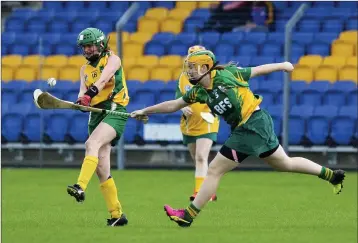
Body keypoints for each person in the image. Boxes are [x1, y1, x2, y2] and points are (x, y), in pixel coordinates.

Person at [130, 50, 346, 227]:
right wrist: (146, 110)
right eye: (188, 67)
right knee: (284, 163)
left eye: (193, 67)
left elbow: (258, 70)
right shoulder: (198, 92)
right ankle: (332, 176)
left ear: (206, 68)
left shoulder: (228, 74)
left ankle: (188, 215)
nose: (189, 71)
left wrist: (283, 65)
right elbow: (174, 105)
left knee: (214, 169)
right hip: (249, 128)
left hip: (253, 124)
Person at [66, 27, 129, 227]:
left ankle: (80, 186)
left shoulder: (113, 59)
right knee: (102, 169)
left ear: (101, 44)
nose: (87, 50)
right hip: (96, 115)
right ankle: (117, 215)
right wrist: (81, 103)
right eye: (84, 47)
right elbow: (82, 92)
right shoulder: (84, 69)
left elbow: (102, 80)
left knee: (91, 143)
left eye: (90, 45)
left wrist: (89, 95)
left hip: (114, 110)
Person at [176, 45, 219, 201]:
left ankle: (200, 192)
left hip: (207, 120)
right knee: (196, 158)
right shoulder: (183, 77)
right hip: (189, 124)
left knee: (201, 156)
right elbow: (177, 98)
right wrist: (183, 108)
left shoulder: (213, 76)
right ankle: (209, 189)